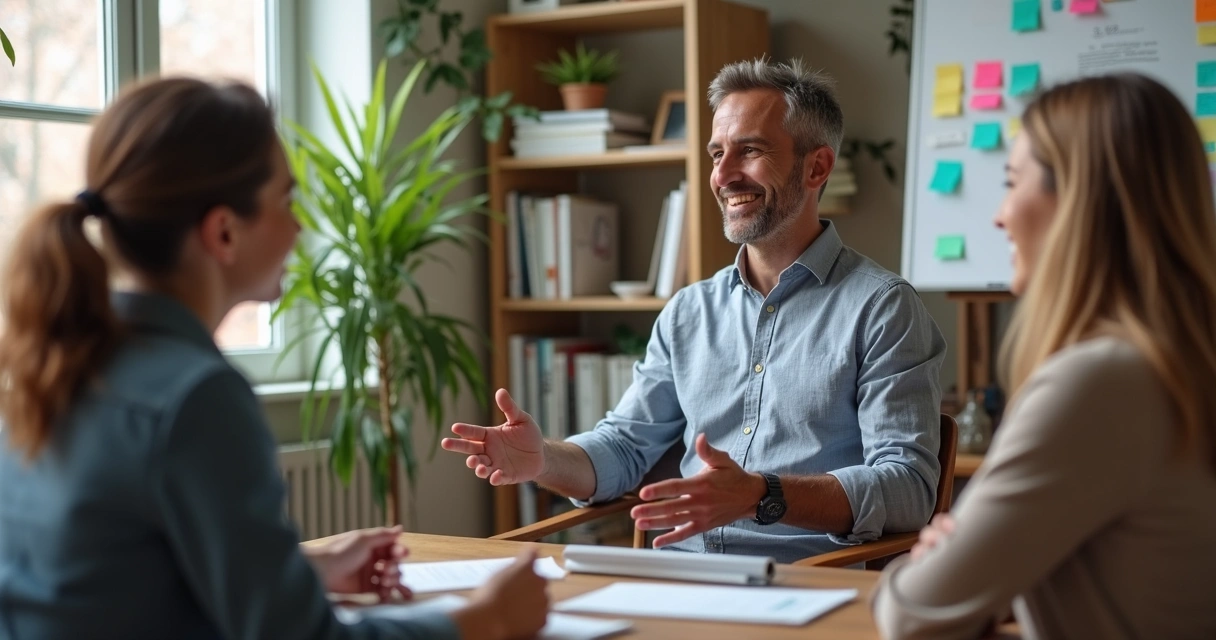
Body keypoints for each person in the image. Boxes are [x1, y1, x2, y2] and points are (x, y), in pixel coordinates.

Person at [0, 76, 548, 640]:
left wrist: (300, 572)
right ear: (224, 232)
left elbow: (110, 582)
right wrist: (487, 619)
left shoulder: (50, 363)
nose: (299, 226)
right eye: (286, 200)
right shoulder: (195, 398)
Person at [443, 58, 946, 564]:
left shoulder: (883, 308)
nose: (723, 176)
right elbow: (623, 449)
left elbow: (906, 489)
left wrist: (761, 493)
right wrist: (544, 460)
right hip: (681, 578)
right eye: (716, 154)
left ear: (816, 167)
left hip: (810, 584)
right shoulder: (689, 311)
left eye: (749, 151)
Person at [871, 73, 1216, 639]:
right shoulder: (1177, 364)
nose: (999, 215)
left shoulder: (1100, 382)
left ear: (1082, 201)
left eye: (1011, 183)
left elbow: (912, 615)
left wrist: (939, 559)